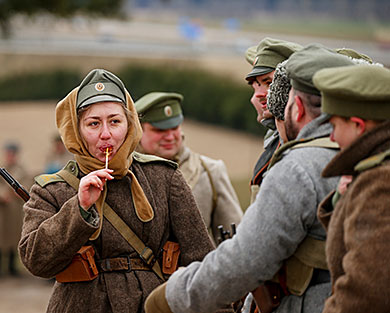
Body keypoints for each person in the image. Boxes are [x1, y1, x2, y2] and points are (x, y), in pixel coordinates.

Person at [144, 44, 361, 313]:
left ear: (298, 107)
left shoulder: (300, 166)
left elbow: (246, 259)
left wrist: (173, 296)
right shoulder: (365, 152)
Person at [18, 69, 215, 313]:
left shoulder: (164, 177)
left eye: (115, 121)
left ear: (129, 124)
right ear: (76, 130)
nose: (106, 134)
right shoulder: (51, 189)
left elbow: (202, 261)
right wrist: (79, 208)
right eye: (93, 123)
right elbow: (36, 261)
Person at [313, 64, 390, 312]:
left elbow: (363, 294)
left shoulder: (378, 183)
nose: (332, 138)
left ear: (358, 125)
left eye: (334, 126)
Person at [135, 92, 243, 243]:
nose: (170, 136)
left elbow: (235, 239)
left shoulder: (211, 171)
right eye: (160, 130)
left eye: (174, 128)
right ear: (139, 131)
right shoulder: (126, 173)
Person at [244, 38, 303, 203]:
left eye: (269, 83)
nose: (258, 95)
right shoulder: (274, 138)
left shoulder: (298, 141)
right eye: (255, 86)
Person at [0, 142, 28, 278]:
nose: (10, 157)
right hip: (1, 209)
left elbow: (25, 184)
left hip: (15, 209)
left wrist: (14, 193)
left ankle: (12, 267)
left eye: (12, 154)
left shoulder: (21, 170)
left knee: (13, 238)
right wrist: (2, 195)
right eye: (8, 154)